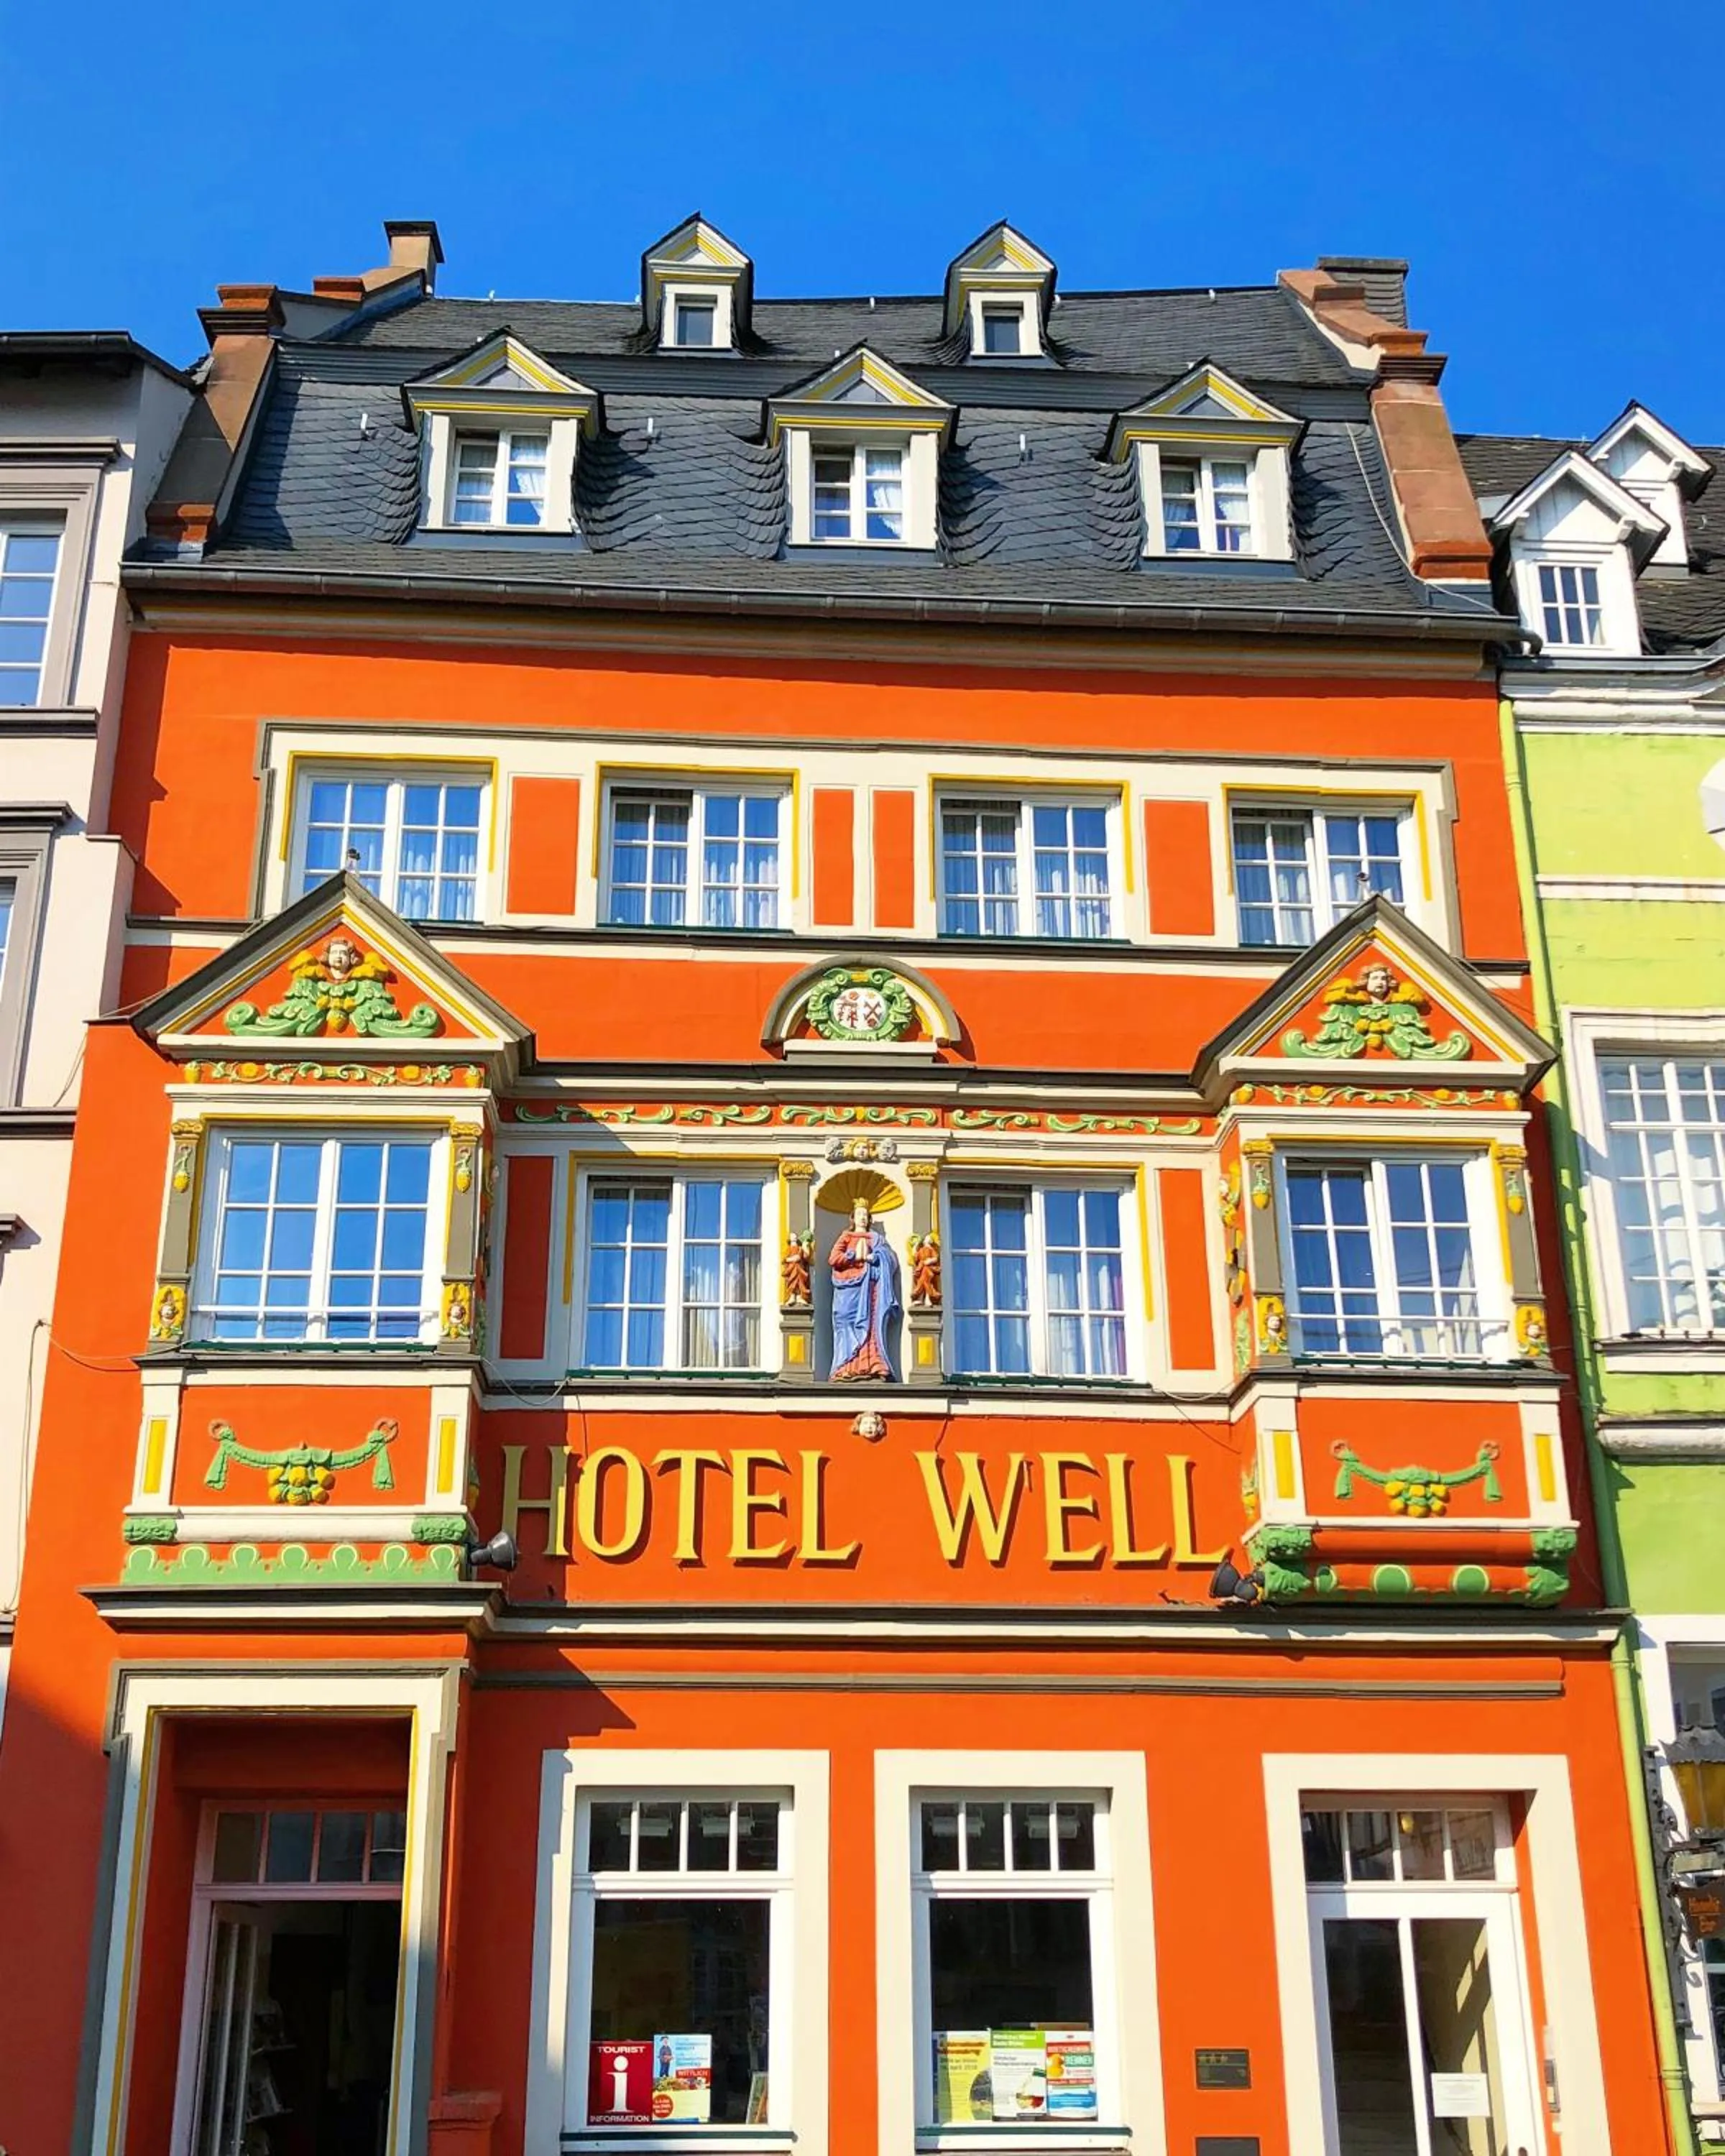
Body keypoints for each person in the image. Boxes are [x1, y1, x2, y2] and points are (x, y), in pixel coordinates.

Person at [827, 1198, 899, 1381]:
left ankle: (872, 1364)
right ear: (852, 1217)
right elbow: (834, 1258)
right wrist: (852, 1256)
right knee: (845, 1321)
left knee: (870, 1324)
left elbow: (891, 1260)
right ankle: (845, 1365)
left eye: (866, 1215)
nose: (863, 1218)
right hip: (847, 1288)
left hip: (869, 1288)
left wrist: (875, 1257)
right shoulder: (846, 1237)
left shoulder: (876, 1239)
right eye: (859, 1214)